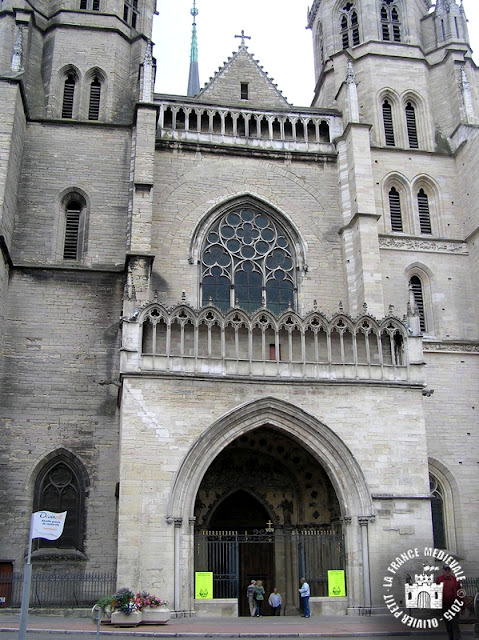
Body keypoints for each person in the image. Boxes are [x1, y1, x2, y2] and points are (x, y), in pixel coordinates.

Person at [436, 564, 464, 640]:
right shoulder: (439, 580)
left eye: (449, 570)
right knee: (448, 625)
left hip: (454, 605)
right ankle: (451, 638)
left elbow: (460, 593)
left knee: (455, 624)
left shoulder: (455, 580)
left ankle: (457, 638)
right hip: (445, 606)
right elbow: (435, 592)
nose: (447, 571)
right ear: (443, 571)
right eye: (446, 570)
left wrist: (463, 606)